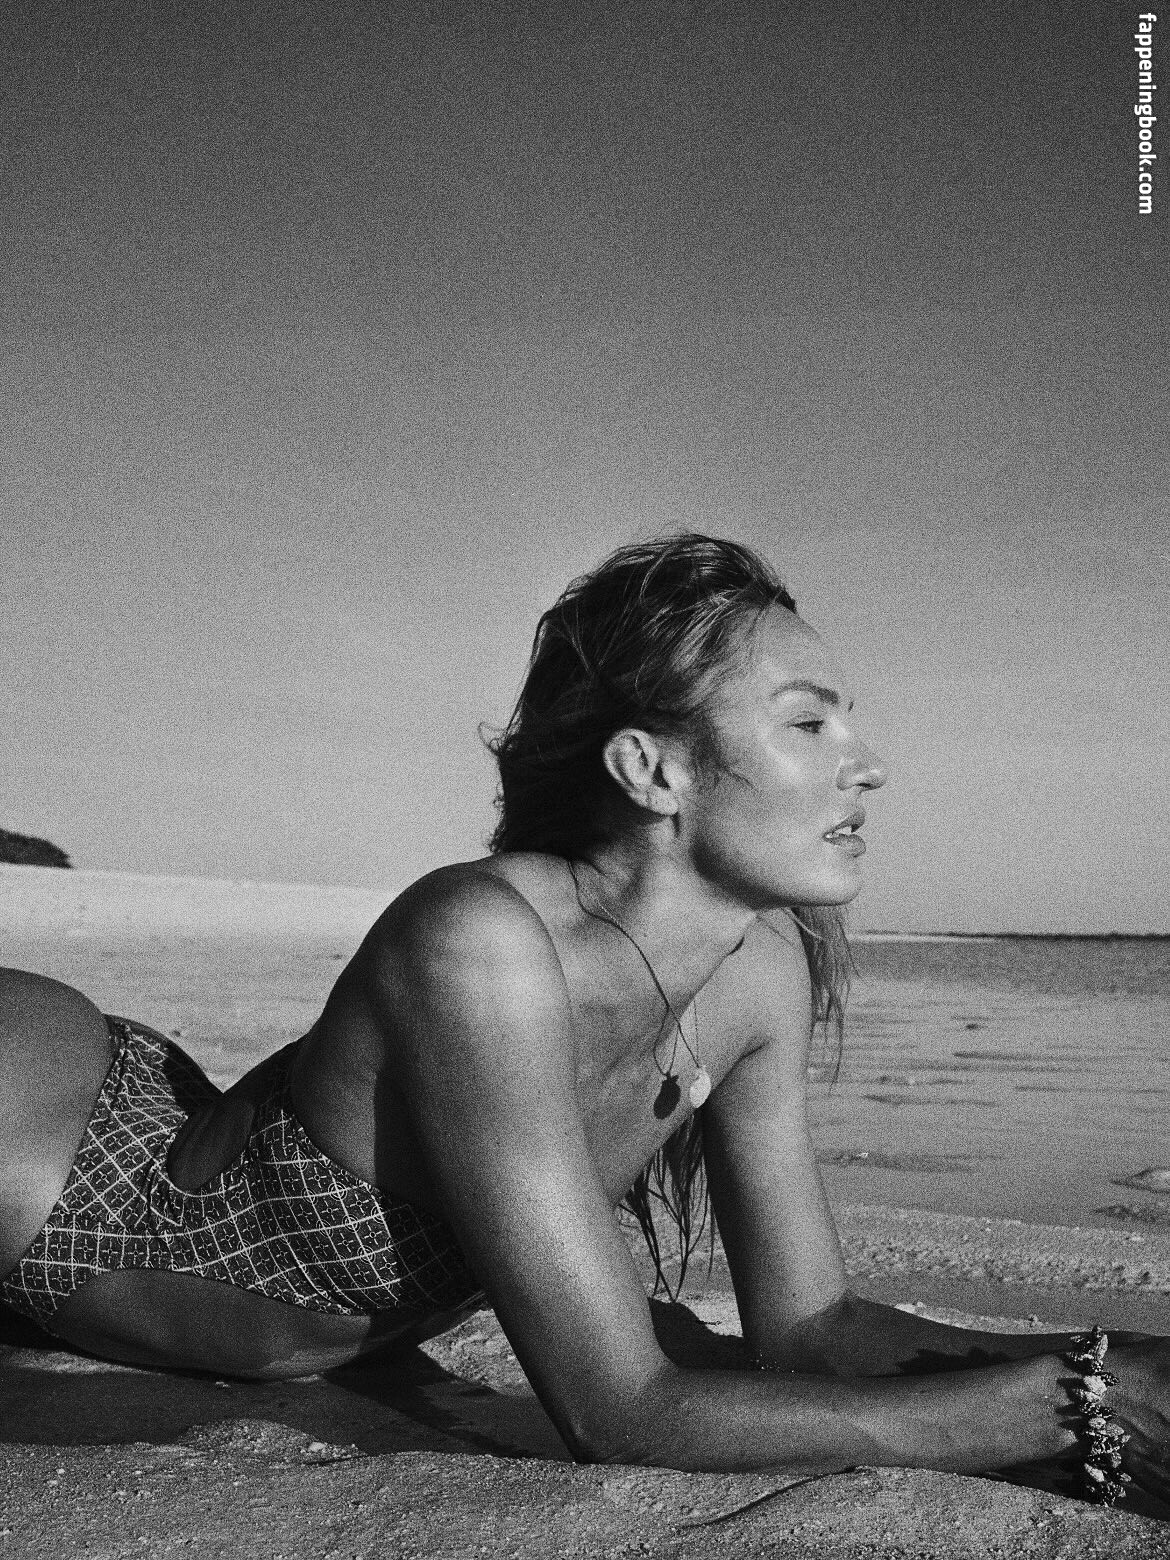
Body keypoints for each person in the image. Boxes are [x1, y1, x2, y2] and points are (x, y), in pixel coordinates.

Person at [1, 534, 1167, 1498]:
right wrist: (1079, 1405)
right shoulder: (479, 944)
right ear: (651, 770)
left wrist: (1116, 1362)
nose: (869, 767)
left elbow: (807, 1331)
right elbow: (623, 1411)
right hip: (58, 1162)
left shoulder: (759, 972)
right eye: (809, 726)